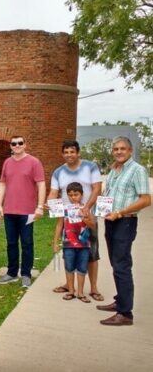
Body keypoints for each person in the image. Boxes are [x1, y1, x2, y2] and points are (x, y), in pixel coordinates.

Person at [97, 136, 150, 326]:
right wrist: (102, 209)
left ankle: (125, 313)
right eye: (115, 149)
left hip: (125, 222)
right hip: (111, 222)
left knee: (121, 266)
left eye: (122, 149)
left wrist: (120, 212)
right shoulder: (113, 170)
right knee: (115, 263)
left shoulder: (137, 170)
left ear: (130, 151)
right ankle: (120, 300)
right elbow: (109, 194)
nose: (118, 152)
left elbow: (146, 200)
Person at [48, 140, 104, 301]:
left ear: (78, 152)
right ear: (62, 154)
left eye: (72, 152)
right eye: (66, 152)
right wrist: (49, 203)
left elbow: (97, 188)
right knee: (70, 251)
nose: (69, 155)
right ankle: (69, 286)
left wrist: (87, 207)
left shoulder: (90, 167)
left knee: (92, 253)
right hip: (68, 219)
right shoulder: (59, 172)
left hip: (87, 217)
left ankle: (93, 288)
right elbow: (53, 191)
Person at [0, 135, 46, 287]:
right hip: (9, 210)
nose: (17, 145)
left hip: (27, 211)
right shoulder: (7, 162)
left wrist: (40, 206)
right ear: (10, 146)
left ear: (25, 144)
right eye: (14, 143)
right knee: (11, 243)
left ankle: (26, 274)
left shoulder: (34, 162)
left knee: (27, 243)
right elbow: (3, 184)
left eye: (20, 143)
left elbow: (41, 184)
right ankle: (12, 273)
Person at [52, 182, 96, 303]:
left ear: (81, 194)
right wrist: (55, 242)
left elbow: (93, 226)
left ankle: (80, 292)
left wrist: (85, 218)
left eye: (76, 194)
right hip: (68, 244)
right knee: (69, 266)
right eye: (70, 195)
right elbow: (59, 225)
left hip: (84, 244)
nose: (73, 197)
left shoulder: (86, 209)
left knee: (82, 268)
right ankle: (71, 291)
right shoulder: (64, 209)